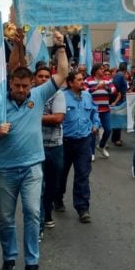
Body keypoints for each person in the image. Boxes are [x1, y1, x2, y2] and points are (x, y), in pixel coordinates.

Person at [0, 31, 68, 270]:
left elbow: (61, 73)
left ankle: (32, 263)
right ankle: (9, 258)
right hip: (5, 170)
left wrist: (60, 45)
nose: (20, 90)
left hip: (31, 168)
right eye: (16, 86)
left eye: (24, 86)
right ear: (10, 85)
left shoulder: (39, 96)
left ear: (31, 86)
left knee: (32, 213)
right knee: (6, 219)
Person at [53, 70, 100, 223]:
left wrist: (95, 124)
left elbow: (94, 112)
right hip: (65, 142)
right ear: (71, 82)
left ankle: (82, 208)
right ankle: (57, 199)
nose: (82, 82)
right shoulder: (61, 97)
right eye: (79, 80)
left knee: (82, 175)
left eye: (82, 79)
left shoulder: (87, 96)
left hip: (84, 142)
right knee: (61, 174)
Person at [34, 65, 63, 238]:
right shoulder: (30, 95)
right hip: (36, 147)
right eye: (40, 76)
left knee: (53, 184)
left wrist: (33, 117)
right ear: (34, 78)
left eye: (47, 76)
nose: (43, 79)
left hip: (55, 146)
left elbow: (58, 118)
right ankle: (39, 224)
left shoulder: (57, 94)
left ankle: (48, 209)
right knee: (38, 185)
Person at [86, 63, 117, 160]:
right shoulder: (88, 80)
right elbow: (85, 91)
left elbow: (113, 90)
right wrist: (96, 87)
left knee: (108, 130)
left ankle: (101, 146)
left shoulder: (107, 81)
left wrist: (105, 87)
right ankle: (91, 152)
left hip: (105, 109)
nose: (103, 70)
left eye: (103, 68)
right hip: (93, 110)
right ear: (95, 70)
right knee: (93, 131)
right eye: (101, 69)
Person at [111, 62, 129, 146]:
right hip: (118, 100)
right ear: (125, 69)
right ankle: (116, 139)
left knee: (118, 118)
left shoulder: (119, 75)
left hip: (120, 99)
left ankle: (115, 138)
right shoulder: (120, 76)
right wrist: (119, 95)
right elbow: (116, 88)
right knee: (118, 119)